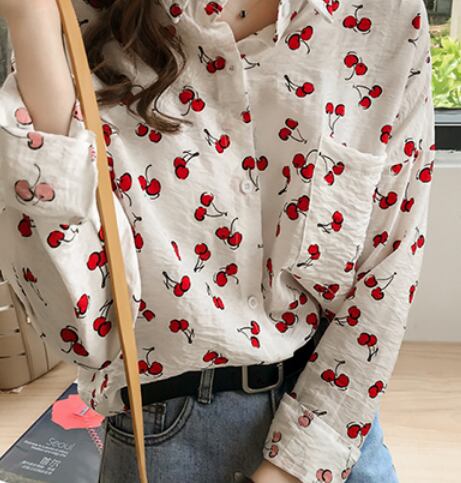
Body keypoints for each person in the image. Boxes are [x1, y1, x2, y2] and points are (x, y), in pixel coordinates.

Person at [0, 0, 435, 482]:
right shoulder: (75, 20)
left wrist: (289, 472)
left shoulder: (384, 15)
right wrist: (30, 22)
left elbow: (388, 271)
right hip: (166, 439)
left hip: (329, 431)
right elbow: (81, 332)